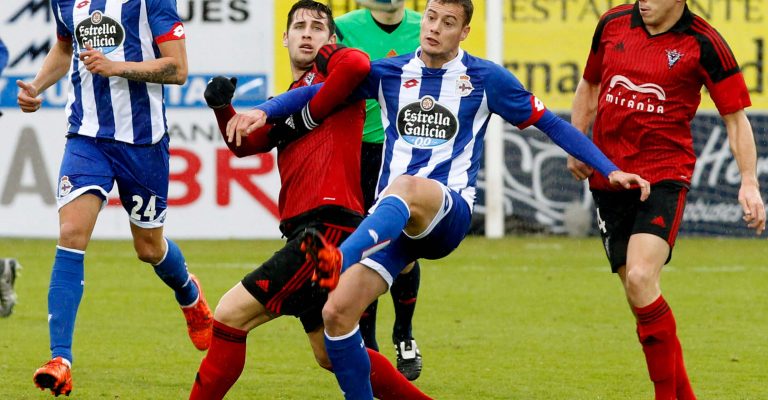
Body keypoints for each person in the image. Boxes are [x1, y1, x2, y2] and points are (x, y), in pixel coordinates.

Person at [229, 1, 652, 398]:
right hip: (394, 225)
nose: (434, 27)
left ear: (464, 31)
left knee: (408, 187)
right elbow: (317, 91)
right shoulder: (390, 74)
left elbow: (551, 125)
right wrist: (267, 110)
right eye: (430, 16)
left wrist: (608, 168)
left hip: (447, 213)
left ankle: (340, 257)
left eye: (447, 22)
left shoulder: (486, 79)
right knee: (337, 315)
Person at [189, 2, 431, 399]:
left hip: (327, 229)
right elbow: (246, 145)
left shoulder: (339, 77)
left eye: (318, 27)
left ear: (331, 40)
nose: (307, 32)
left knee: (231, 315)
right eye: (298, 26)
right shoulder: (290, 95)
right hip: (311, 230)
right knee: (332, 354)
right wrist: (222, 109)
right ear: (283, 38)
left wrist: (315, 94)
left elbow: (356, 65)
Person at [566, 1, 766, 399]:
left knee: (641, 278)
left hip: (663, 178)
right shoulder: (612, 23)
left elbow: (735, 117)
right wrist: (577, 142)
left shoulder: (705, 42)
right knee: (640, 294)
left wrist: (749, 181)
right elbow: (589, 84)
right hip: (609, 178)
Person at [17, 1, 213, 396]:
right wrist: (37, 85)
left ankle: (189, 294)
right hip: (87, 137)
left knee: (149, 247)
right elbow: (64, 46)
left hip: (144, 143)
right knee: (71, 234)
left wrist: (115, 66)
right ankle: (61, 360)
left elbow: (178, 68)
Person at [336, 0, 425, 380]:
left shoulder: (428, 26)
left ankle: (404, 332)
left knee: (404, 249)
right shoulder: (341, 28)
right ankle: (368, 344)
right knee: (364, 250)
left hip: (405, 155)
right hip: (356, 151)